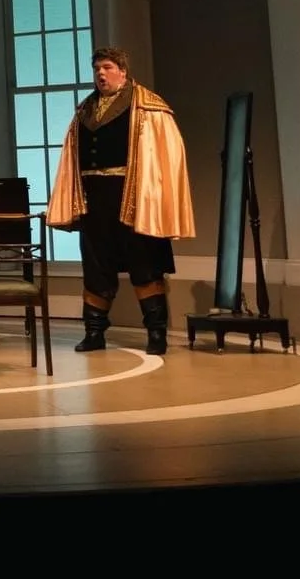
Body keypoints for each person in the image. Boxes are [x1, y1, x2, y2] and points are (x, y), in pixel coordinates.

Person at [46, 46, 195, 355]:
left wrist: (152, 194)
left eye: (108, 67)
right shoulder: (85, 109)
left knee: (144, 264)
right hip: (94, 200)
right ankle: (94, 332)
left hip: (134, 197)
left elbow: (166, 156)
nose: (101, 73)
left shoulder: (148, 107)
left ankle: (156, 333)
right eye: (97, 68)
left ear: (123, 72)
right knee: (96, 266)